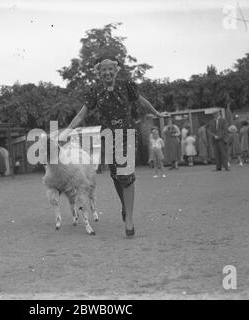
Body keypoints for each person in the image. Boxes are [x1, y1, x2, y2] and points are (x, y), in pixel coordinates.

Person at [59, 56, 168, 237]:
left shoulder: (127, 86)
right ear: (99, 73)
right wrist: (66, 132)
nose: (108, 72)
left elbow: (142, 101)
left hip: (127, 134)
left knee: (126, 174)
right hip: (108, 137)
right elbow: (80, 116)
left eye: (111, 69)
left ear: (116, 70)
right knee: (116, 176)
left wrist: (157, 113)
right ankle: (126, 208)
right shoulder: (95, 92)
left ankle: (129, 220)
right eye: (104, 70)